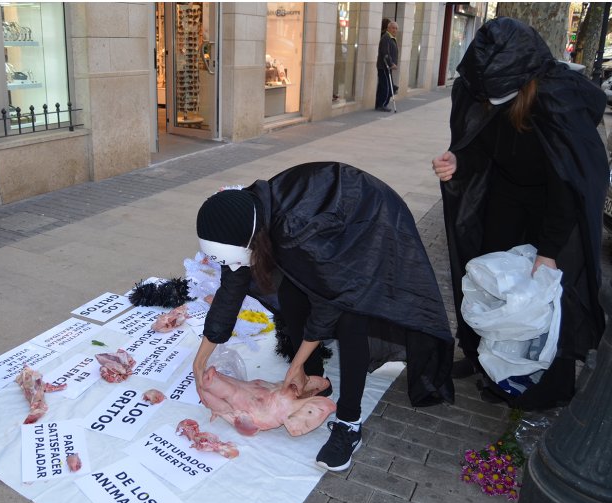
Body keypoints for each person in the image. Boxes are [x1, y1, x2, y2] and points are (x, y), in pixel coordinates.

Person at [192, 161, 454, 471]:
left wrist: (297, 362)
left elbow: (330, 300)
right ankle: (315, 381)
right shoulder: (240, 219)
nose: (239, 267)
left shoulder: (296, 229)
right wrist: (200, 361)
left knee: (351, 318)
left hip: (372, 221)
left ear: (252, 242)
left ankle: (349, 423)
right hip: (327, 223)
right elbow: (231, 288)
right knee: (291, 293)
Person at [432, 18, 606, 410]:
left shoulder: (557, 101)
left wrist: (548, 249)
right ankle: (484, 361)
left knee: (548, 297)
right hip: (505, 198)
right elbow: (482, 145)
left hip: (556, 210)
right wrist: (457, 159)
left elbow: (568, 183)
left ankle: (547, 383)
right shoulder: (486, 91)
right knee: (492, 282)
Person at [375, 20, 398, 112]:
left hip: (386, 67)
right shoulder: (386, 38)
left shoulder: (391, 38)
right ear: (388, 28)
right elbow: (385, 53)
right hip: (384, 66)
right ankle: (382, 104)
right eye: (393, 28)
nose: (395, 30)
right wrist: (391, 63)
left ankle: (379, 104)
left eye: (396, 28)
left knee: (383, 85)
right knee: (387, 86)